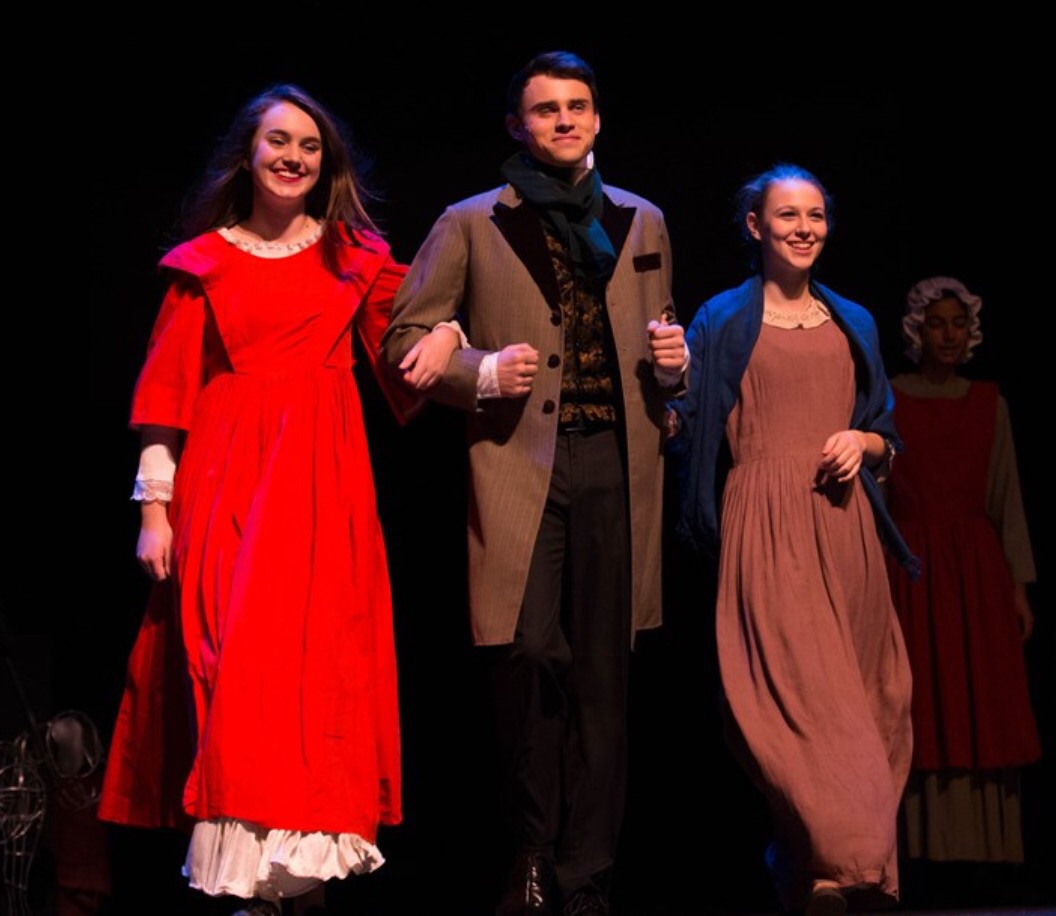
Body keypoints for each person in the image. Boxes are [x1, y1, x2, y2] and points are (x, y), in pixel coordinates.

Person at [98, 84, 456, 915]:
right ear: (248, 154)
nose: (294, 157)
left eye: (310, 146)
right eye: (279, 141)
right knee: (235, 669)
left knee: (320, 669)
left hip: (324, 486)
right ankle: (254, 884)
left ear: (326, 165)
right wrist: (153, 510)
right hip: (225, 481)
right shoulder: (204, 264)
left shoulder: (353, 258)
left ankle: (303, 878)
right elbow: (164, 397)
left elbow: (415, 330)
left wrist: (448, 335)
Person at [381, 50, 685, 916]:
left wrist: (677, 367)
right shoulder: (473, 221)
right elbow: (405, 337)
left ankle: (588, 875)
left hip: (618, 464)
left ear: (597, 119)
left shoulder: (642, 220)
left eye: (577, 106)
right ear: (518, 125)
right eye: (546, 109)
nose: (564, 120)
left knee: (604, 674)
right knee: (526, 655)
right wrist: (478, 370)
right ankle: (533, 849)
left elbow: (660, 337)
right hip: (520, 462)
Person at [669, 163, 916, 916]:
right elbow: (681, 424)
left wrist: (862, 444)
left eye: (815, 215)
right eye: (787, 215)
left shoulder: (854, 320)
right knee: (800, 698)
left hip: (845, 527)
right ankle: (847, 859)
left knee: (875, 695)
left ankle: (814, 872)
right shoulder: (721, 319)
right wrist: (666, 378)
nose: (804, 228)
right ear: (756, 227)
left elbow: (886, 433)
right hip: (767, 521)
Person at [885, 277, 1041, 899]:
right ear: (916, 330)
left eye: (958, 323)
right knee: (920, 702)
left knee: (982, 702)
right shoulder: (890, 398)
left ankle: (981, 858)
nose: (948, 335)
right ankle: (914, 851)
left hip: (976, 574)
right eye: (936, 323)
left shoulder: (988, 404)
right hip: (911, 571)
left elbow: (1007, 500)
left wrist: (1019, 587)